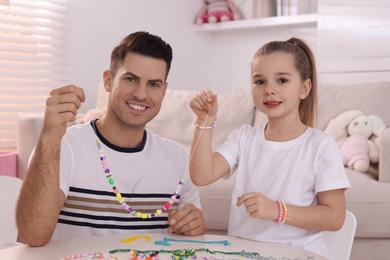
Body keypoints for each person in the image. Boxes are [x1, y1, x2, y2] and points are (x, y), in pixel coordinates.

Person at [16, 31, 205, 247]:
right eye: (131, 79)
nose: (141, 94)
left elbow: (193, 234)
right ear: (108, 80)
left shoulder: (178, 158)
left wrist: (194, 226)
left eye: (153, 84)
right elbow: (32, 235)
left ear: (163, 91)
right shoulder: (62, 146)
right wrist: (49, 136)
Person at [188, 37, 350, 258]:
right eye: (260, 81)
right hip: (242, 254)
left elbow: (334, 217)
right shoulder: (243, 138)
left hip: (298, 255)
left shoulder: (320, 145)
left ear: (304, 88)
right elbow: (201, 176)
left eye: (282, 80)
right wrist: (205, 121)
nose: (269, 90)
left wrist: (277, 210)